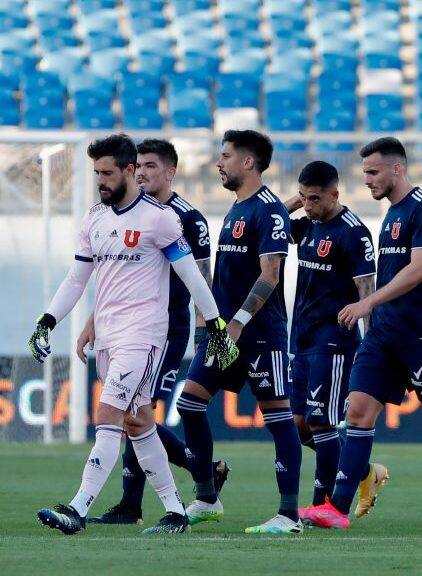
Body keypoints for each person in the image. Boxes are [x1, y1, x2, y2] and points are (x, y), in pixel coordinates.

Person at [31, 134, 238, 535]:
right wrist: (48, 319)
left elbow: (193, 276)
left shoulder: (160, 219)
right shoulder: (95, 217)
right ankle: (177, 513)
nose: (100, 181)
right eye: (96, 173)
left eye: (107, 173)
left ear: (129, 171)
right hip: (108, 337)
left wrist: (214, 325)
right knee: (138, 423)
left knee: (108, 414)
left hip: (143, 337)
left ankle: (77, 509)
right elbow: (77, 279)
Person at [303, 137, 422, 529]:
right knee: (356, 413)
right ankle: (337, 509)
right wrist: (373, 317)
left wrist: (367, 303)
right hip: (382, 335)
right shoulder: (391, 214)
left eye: (373, 172)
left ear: (398, 168)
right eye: (364, 174)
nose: (367, 181)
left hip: (419, 333)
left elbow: (420, 269)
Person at [177, 130, 304, 534]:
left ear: (248, 162)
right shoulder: (240, 209)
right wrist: (209, 327)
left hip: (259, 332)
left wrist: (235, 324)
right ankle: (207, 497)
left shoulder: (266, 209)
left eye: (226, 155)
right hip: (222, 332)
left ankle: (289, 516)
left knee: (278, 418)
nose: (219, 162)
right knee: (189, 404)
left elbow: (270, 276)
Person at [283, 161, 388, 520]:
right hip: (303, 337)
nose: (309, 205)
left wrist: (372, 343)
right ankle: (363, 471)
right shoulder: (308, 224)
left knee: (321, 423)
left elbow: (366, 289)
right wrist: (296, 204)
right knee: (298, 424)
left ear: (335, 194)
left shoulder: (353, 232)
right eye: (303, 198)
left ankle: (322, 505)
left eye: (315, 198)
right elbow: (269, 225)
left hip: (335, 340)